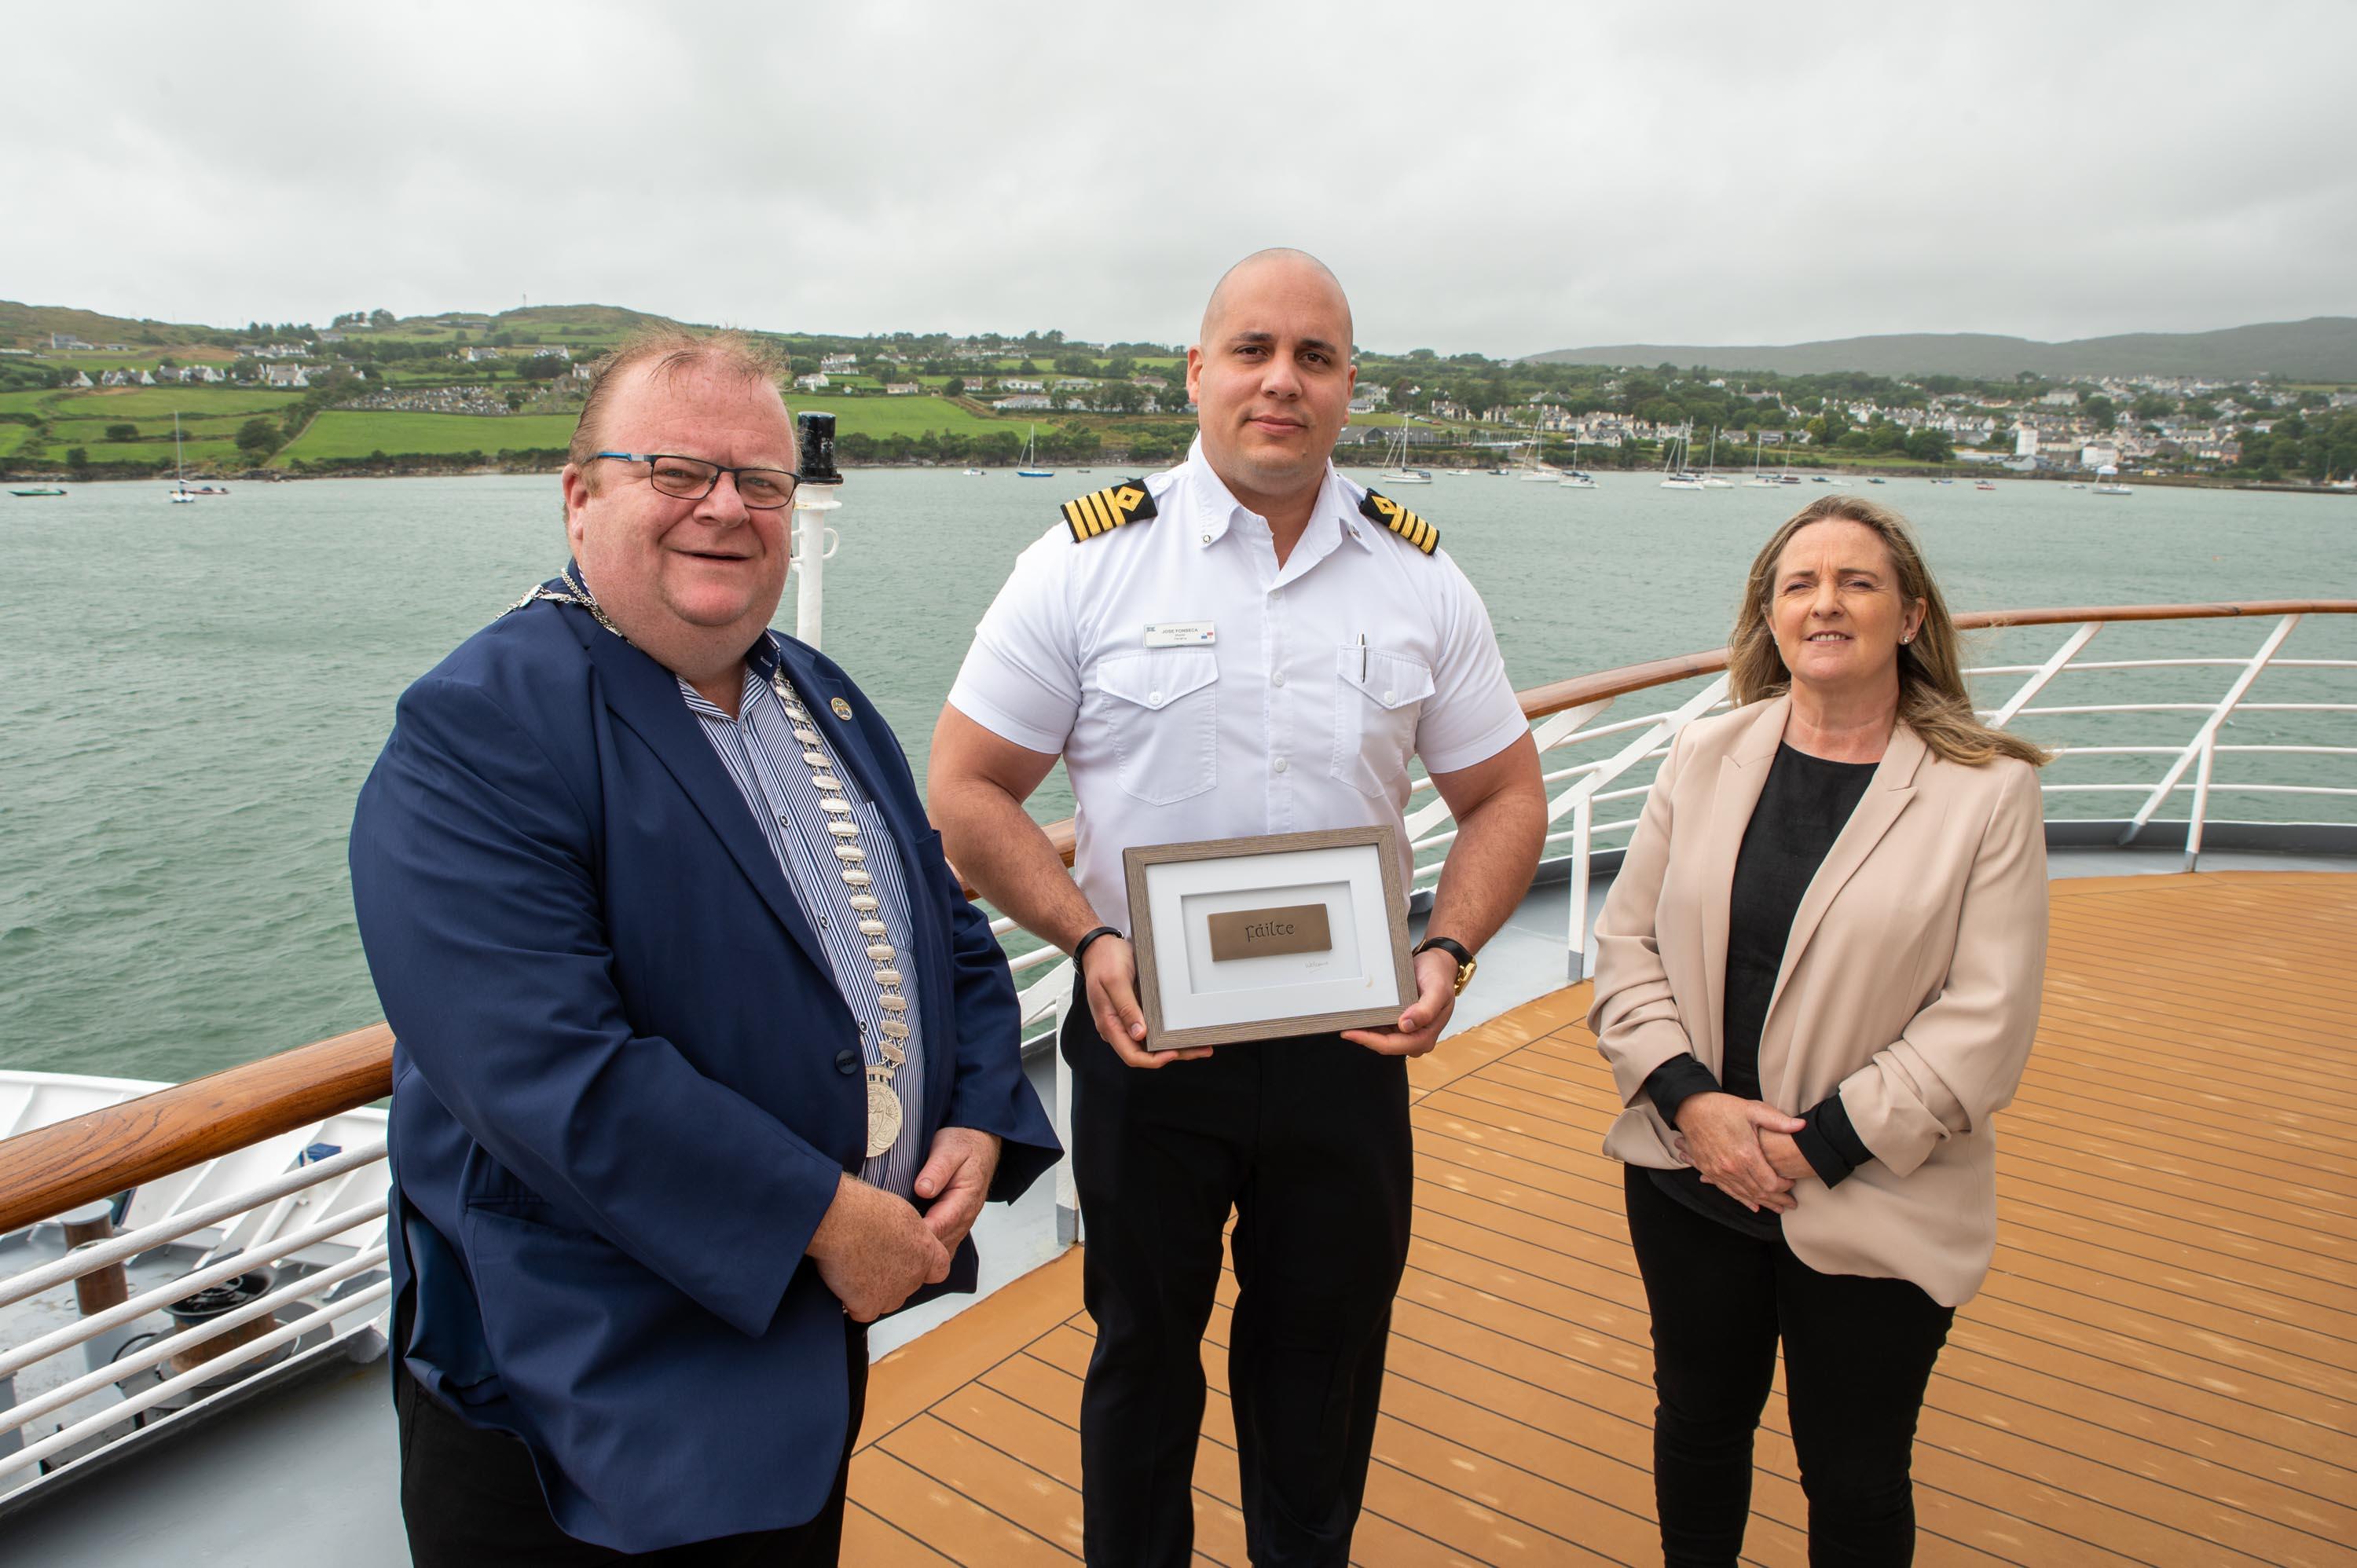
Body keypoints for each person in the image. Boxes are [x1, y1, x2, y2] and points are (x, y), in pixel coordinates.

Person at [348, 330, 1060, 1564]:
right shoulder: (475, 730)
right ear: (581, 499)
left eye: (762, 481)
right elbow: (552, 1074)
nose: (726, 509)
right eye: (677, 472)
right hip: (586, 1410)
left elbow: (939, 928)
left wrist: (980, 1111)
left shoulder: (820, 696)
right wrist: (828, 1217)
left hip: (792, 1368)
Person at [927, 249, 1547, 1566]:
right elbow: (968, 791)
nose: (1283, 381)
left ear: (1349, 388)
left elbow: (1504, 796)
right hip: (1151, 1043)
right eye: (1254, 351)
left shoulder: (1419, 580)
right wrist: (1087, 940)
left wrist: (1448, 948)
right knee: (1143, 1357)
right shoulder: (1087, 566)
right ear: (1197, 373)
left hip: (1350, 1051)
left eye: (1314, 357)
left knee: (1323, 1366)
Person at [1589, 495, 2051, 1566]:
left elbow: (1984, 1023)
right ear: (1769, 616)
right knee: (1698, 1429)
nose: (1825, 603)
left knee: (1853, 1474)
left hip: (1877, 1187)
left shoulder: (1988, 793)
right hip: (1689, 1174)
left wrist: (1817, 1144)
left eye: (1857, 582)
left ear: (1912, 616)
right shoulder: (1704, 755)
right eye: (1799, 584)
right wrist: (1695, 1107)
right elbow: (1625, 952)